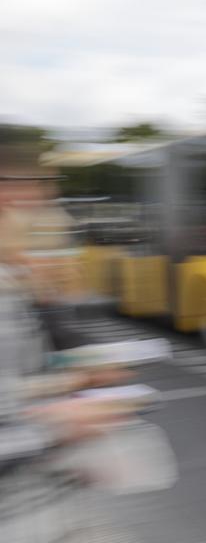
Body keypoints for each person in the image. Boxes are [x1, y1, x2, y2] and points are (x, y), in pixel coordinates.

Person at [0, 135, 134, 542]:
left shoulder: (14, 281)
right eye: (37, 202)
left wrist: (76, 376)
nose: (51, 218)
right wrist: (56, 422)